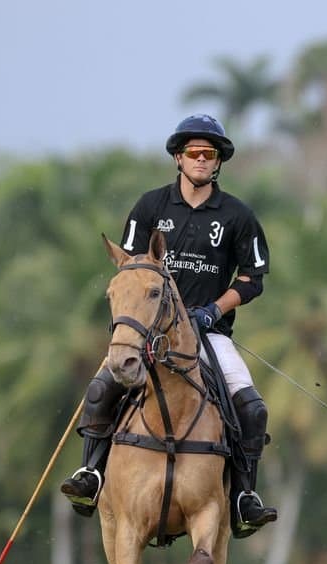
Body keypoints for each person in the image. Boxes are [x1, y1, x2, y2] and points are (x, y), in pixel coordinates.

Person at [60, 113, 277, 538]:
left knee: (252, 408)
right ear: (178, 158)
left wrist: (213, 311)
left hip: (208, 333)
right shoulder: (150, 207)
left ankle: (243, 499)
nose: (200, 159)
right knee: (101, 389)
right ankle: (91, 474)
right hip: (148, 333)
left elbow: (252, 280)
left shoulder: (237, 216)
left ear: (217, 163)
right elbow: (127, 268)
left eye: (208, 153)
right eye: (193, 152)